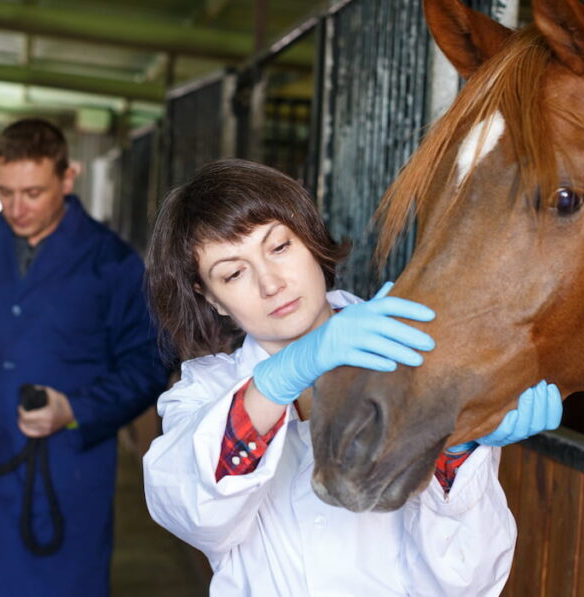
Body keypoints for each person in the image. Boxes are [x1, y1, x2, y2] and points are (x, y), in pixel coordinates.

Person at [142, 159, 562, 596]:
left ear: (309, 237)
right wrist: (287, 372)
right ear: (212, 299)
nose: (270, 284)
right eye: (233, 273)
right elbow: (193, 512)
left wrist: (459, 449)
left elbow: (469, 579)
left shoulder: (413, 364)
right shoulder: (202, 395)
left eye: (279, 247)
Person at [0, 118, 169, 596]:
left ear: (67, 178)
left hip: (65, 471)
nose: (16, 207)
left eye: (32, 192)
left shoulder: (112, 263)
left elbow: (149, 361)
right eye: (4, 191)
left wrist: (77, 409)